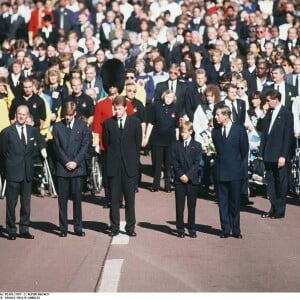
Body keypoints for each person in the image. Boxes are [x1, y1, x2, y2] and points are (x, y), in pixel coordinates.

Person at [0, 105, 47, 240]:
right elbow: (2, 152)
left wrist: (43, 148)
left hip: (27, 172)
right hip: (13, 172)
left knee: (26, 203)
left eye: (24, 114)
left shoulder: (32, 130)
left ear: (27, 116)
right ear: (15, 115)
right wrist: (5, 170)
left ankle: (24, 228)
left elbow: (40, 141)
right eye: (19, 114)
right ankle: (11, 229)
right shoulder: (6, 132)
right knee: (11, 203)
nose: (21, 116)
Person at [103, 96, 142, 237]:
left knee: (130, 200)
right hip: (114, 167)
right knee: (114, 199)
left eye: (120, 108)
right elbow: (107, 145)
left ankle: (130, 227)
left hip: (129, 167)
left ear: (125, 108)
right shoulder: (107, 124)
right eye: (115, 109)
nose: (117, 111)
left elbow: (137, 144)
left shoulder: (135, 123)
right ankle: (114, 227)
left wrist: (133, 162)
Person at [53, 101, 92, 237]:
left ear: (75, 114)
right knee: (62, 200)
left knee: (77, 199)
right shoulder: (57, 127)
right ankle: (63, 228)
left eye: (70, 115)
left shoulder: (82, 126)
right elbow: (56, 147)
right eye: (65, 115)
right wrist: (66, 162)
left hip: (77, 168)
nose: (67, 117)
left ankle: (78, 227)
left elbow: (85, 145)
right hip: (62, 168)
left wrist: (75, 162)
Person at [212, 104, 249, 239]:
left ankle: (236, 229)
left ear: (226, 116)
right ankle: (225, 229)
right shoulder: (215, 131)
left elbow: (244, 149)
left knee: (234, 202)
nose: (216, 117)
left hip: (235, 171)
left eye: (218, 115)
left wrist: (237, 164)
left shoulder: (239, 130)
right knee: (223, 202)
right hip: (221, 171)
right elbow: (217, 148)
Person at [259, 90, 294, 219]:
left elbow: (288, 137)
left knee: (280, 182)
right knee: (270, 182)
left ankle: (280, 210)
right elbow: (262, 131)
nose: (266, 103)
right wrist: (263, 113)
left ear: (276, 99)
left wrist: (283, 155)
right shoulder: (269, 113)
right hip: (268, 154)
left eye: (268, 100)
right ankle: (272, 207)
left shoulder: (286, 114)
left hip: (279, 155)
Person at [143, 90, 180, 192]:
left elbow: (177, 127)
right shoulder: (156, 107)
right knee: (157, 163)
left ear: (174, 99)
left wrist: (177, 142)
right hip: (157, 139)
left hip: (170, 140)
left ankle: (167, 186)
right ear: (164, 97)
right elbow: (151, 123)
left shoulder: (176, 109)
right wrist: (146, 137)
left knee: (168, 165)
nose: (168, 99)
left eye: (171, 97)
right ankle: (155, 185)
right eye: (167, 97)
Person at [171, 121, 202, 238]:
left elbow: (197, 163)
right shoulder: (175, 145)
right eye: (180, 132)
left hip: (192, 180)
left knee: (191, 206)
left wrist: (188, 175)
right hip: (180, 180)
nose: (182, 135)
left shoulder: (197, 145)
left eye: (184, 132)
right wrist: (181, 175)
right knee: (179, 206)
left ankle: (192, 228)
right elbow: (174, 162)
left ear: (190, 132)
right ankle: (180, 228)